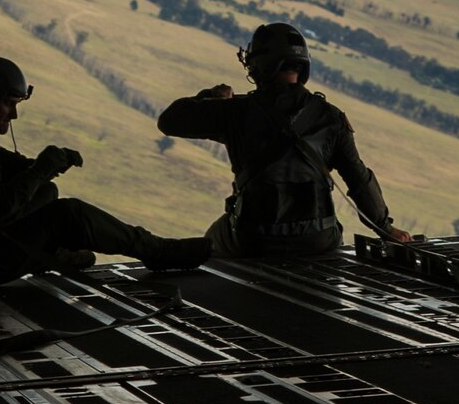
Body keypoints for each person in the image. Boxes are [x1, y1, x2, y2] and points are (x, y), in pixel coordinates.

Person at [0, 56, 210, 288]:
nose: (14, 114)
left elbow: (13, 174)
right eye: (8, 103)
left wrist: (46, 166)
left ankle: (52, 252)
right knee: (70, 214)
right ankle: (158, 251)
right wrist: (43, 167)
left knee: (47, 193)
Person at [157, 22, 412, 257]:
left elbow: (169, 121)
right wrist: (386, 229)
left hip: (254, 237)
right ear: (302, 66)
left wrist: (211, 97)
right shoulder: (331, 117)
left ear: (259, 66)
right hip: (318, 239)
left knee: (214, 237)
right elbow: (358, 178)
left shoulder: (234, 111)